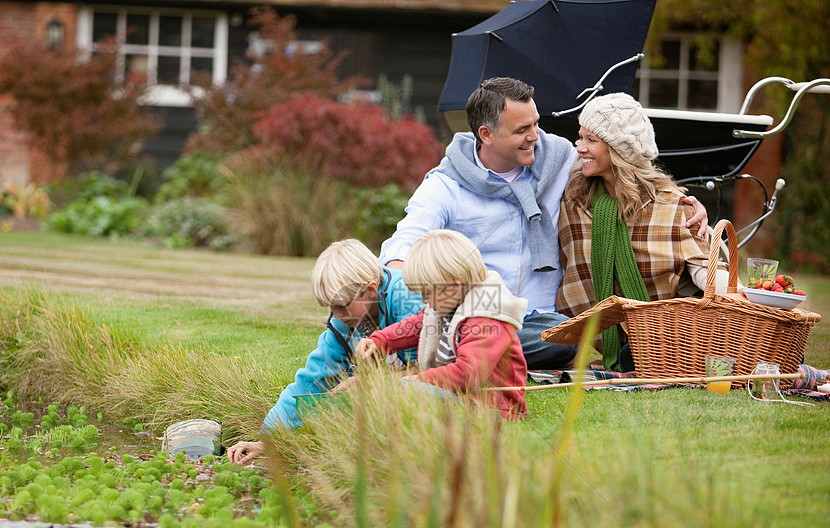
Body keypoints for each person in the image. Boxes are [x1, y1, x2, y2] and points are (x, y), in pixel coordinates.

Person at [379, 77, 708, 371]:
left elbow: (625, 167)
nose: (534, 136)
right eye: (521, 130)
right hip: (482, 314)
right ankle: (464, 349)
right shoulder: (447, 186)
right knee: (485, 333)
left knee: (571, 336)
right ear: (486, 134)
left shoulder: (561, 160)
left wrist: (682, 203)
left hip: (545, 320)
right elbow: (407, 239)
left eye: (535, 124)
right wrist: (398, 283)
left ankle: (466, 355)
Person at [556, 92, 729, 371]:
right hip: (620, 342)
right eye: (580, 137)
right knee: (627, 357)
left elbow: (703, 271)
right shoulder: (573, 200)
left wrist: (753, 301)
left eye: (591, 140)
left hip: (674, 331)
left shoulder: (670, 205)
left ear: (618, 150)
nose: (580, 148)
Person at [227, 239, 423, 464]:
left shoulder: (408, 300)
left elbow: (433, 368)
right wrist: (267, 440)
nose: (337, 315)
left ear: (370, 290)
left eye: (342, 306)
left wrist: (370, 384)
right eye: (332, 307)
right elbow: (311, 381)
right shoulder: (344, 324)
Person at [356, 229, 528, 418]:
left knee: (406, 393)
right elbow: (417, 325)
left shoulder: (487, 318)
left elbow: (468, 373)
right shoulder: (449, 303)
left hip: (494, 407)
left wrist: (421, 379)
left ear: (454, 286)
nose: (423, 299)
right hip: (464, 398)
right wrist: (380, 341)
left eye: (426, 293)